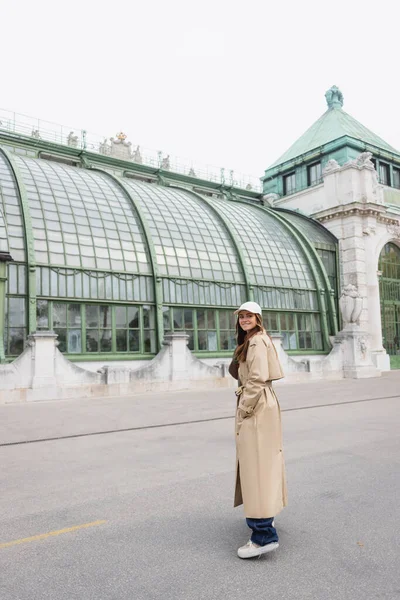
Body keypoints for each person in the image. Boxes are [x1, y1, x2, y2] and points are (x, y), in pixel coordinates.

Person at [229, 301, 287, 559]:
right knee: (264, 464)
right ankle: (267, 521)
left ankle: (263, 536)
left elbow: (256, 378)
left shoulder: (255, 342)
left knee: (256, 469)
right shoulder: (255, 340)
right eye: (241, 316)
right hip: (264, 404)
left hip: (257, 406)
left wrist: (244, 409)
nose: (244, 320)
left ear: (258, 318)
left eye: (249, 316)